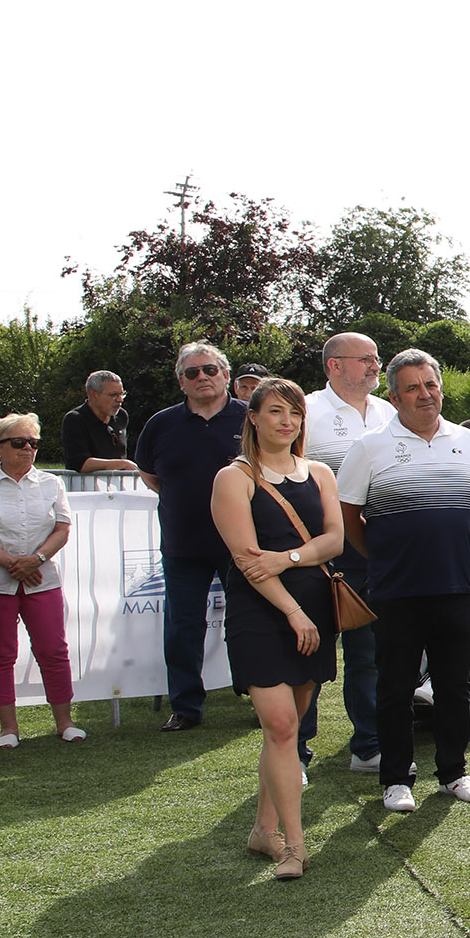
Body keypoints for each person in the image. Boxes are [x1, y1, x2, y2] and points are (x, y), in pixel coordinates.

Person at [335, 349, 470, 814]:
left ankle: (453, 772)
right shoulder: (369, 447)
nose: (425, 395)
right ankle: (396, 777)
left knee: (453, 685)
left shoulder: (465, 441)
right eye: (412, 388)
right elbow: (349, 517)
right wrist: (386, 558)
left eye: (431, 385)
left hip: (456, 586)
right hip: (396, 590)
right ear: (394, 396)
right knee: (396, 686)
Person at [210, 380, 343, 881]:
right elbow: (248, 563)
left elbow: (334, 539)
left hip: (314, 606)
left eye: (295, 413)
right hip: (262, 612)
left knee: (289, 724)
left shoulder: (321, 472)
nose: (286, 422)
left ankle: (264, 829)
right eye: (275, 412)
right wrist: (291, 611)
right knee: (283, 727)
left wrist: (288, 557)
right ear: (253, 418)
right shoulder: (234, 477)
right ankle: (295, 846)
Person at [134, 341, 247, 731]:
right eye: (192, 372)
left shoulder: (251, 420)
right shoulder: (160, 424)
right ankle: (185, 706)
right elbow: (151, 475)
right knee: (182, 628)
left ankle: (258, 694)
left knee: (249, 623)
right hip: (182, 545)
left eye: (210, 370)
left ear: (226, 376)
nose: (202, 377)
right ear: (181, 382)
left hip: (243, 543)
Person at [302, 331, 390, 773]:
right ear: (334, 365)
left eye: (376, 359)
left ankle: (368, 748)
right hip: (318, 553)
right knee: (310, 652)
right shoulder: (306, 410)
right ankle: (295, 752)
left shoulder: (389, 412)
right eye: (366, 359)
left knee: (367, 654)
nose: (376, 366)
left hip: (372, 553)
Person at [0, 415, 78, 748]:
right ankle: (9, 729)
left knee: (53, 651)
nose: (28, 449)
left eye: (34, 443)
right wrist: (12, 563)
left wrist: (37, 559)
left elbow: (62, 528)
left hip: (43, 579)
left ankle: (65, 723)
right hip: (1, 582)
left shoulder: (50, 483)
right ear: (0, 448)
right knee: (2, 654)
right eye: (19, 442)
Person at [60, 371, 135, 474]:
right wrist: (121, 464)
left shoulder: (121, 416)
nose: (120, 400)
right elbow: (79, 463)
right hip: (85, 487)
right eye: (114, 395)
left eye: (122, 394)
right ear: (93, 394)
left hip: (118, 486)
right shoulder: (75, 419)